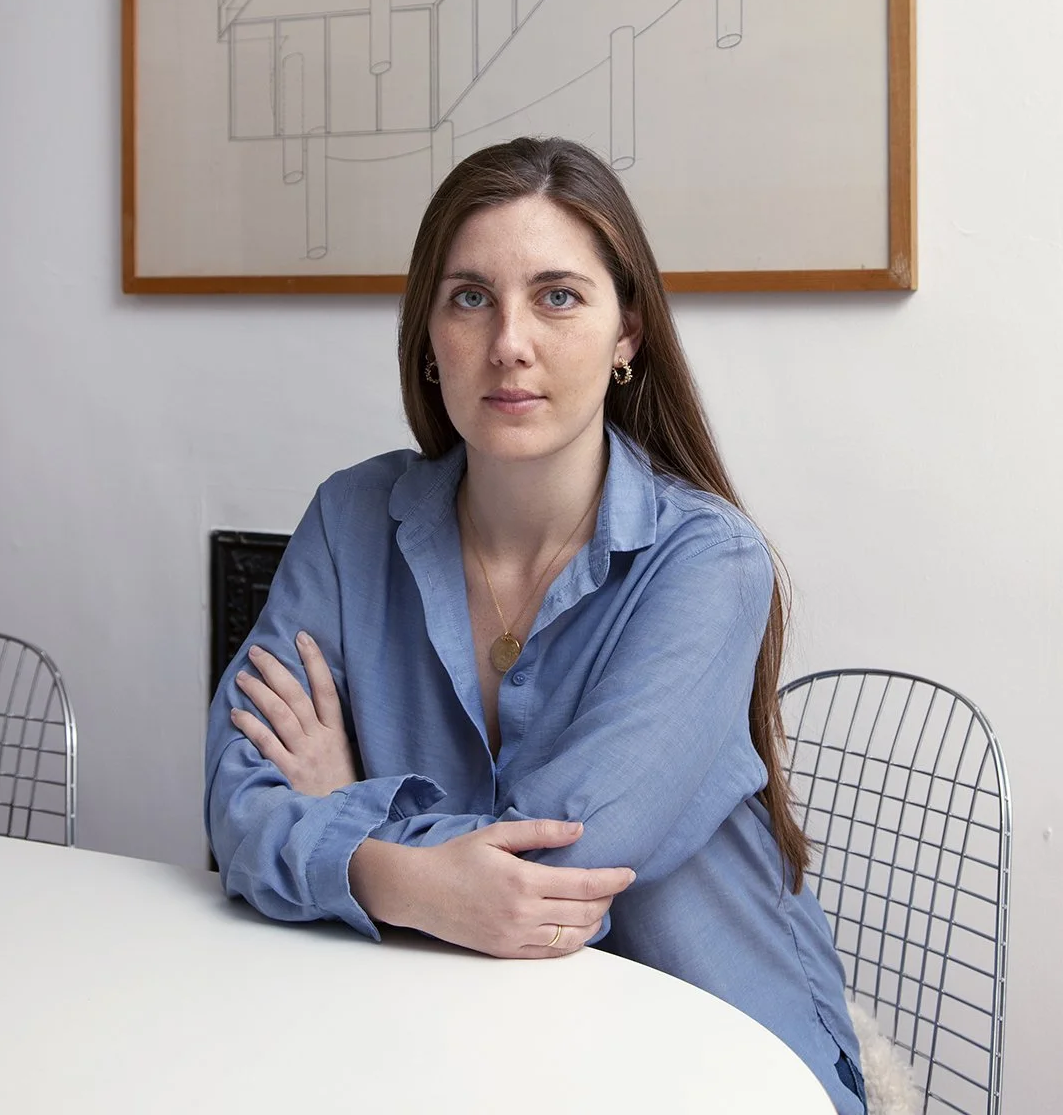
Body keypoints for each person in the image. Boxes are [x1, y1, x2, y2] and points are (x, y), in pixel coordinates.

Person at [205, 136, 867, 1114]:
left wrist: (350, 815)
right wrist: (417, 880)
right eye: (471, 296)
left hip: (715, 1061)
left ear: (628, 332)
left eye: (558, 295)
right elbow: (236, 802)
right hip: (446, 1042)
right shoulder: (351, 521)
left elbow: (552, 880)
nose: (510, 341)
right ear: (430, 335)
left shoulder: (706, 562)